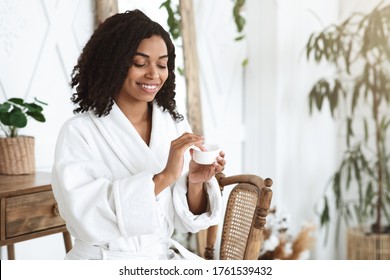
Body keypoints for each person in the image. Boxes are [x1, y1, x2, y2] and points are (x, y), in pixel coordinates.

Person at [51, 9, 226, 260]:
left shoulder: (174, 125)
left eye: (162, 64)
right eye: (140, 63)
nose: (154, 74)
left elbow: (189, 220)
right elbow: (86, 216)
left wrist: (195, 182)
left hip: (159, 258)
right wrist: (164, 177)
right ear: (113, 63)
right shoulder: (79, 132)